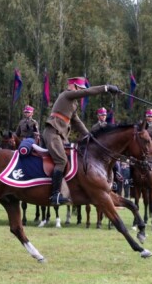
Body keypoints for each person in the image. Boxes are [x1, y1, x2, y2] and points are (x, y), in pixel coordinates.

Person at [42, 77, 120, 205]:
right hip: (53, 133)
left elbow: (77, 122)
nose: (82, 91)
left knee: (74, 160)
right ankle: (54, 195)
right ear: (74, 86)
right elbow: (87, 93)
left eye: (82, 89)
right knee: (61, 160)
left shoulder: (73, 103)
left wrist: (89, 135)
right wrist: (106, 88)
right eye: (80, 89)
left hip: (61, 136)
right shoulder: (67, 95)